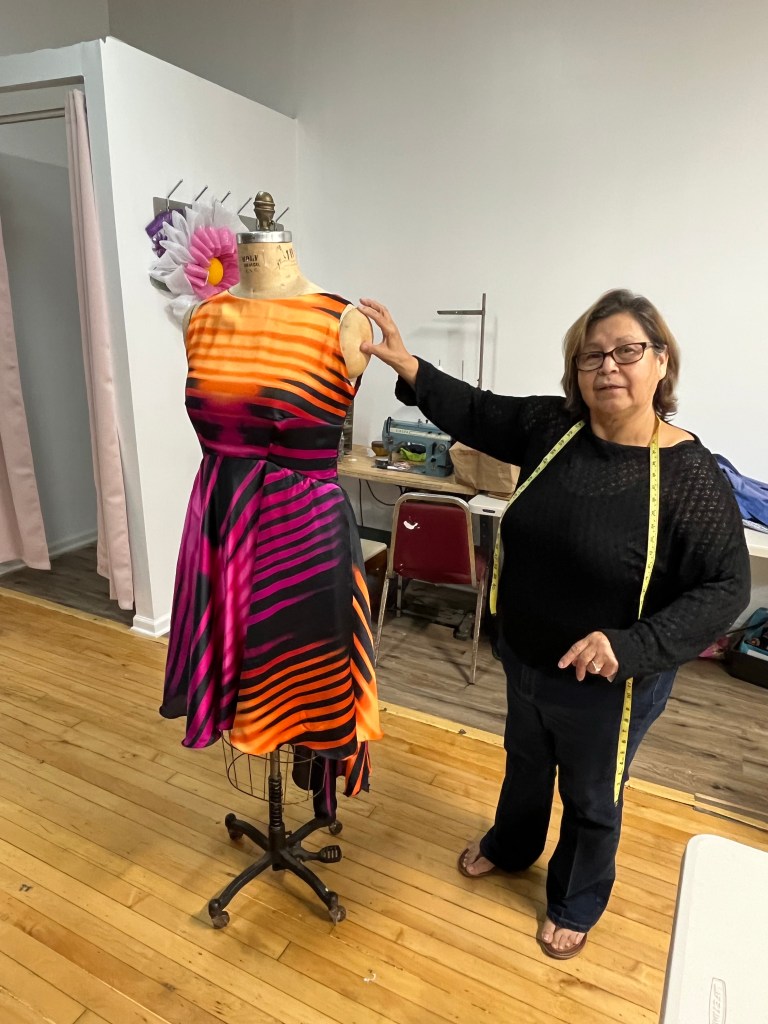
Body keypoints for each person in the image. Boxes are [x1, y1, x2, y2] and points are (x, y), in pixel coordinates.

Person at [357, 289, 750, 959]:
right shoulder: (553, 426)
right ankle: (513, 847)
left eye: (627, 351)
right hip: (525, 655)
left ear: (661, 362)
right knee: (526, 764)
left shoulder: (687, 475)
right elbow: (477, 410)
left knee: (592, 797)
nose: (608, 367)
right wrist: (410, 366)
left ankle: (575, 899)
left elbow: (726, 588)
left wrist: (633, 645)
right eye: (591, 355)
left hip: (609, 684)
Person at [160, 201, 382, 821]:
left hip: (305, 541)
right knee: (243, 677)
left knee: (302, 677)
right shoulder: (202, 318)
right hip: (221, 529)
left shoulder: (341, 321)